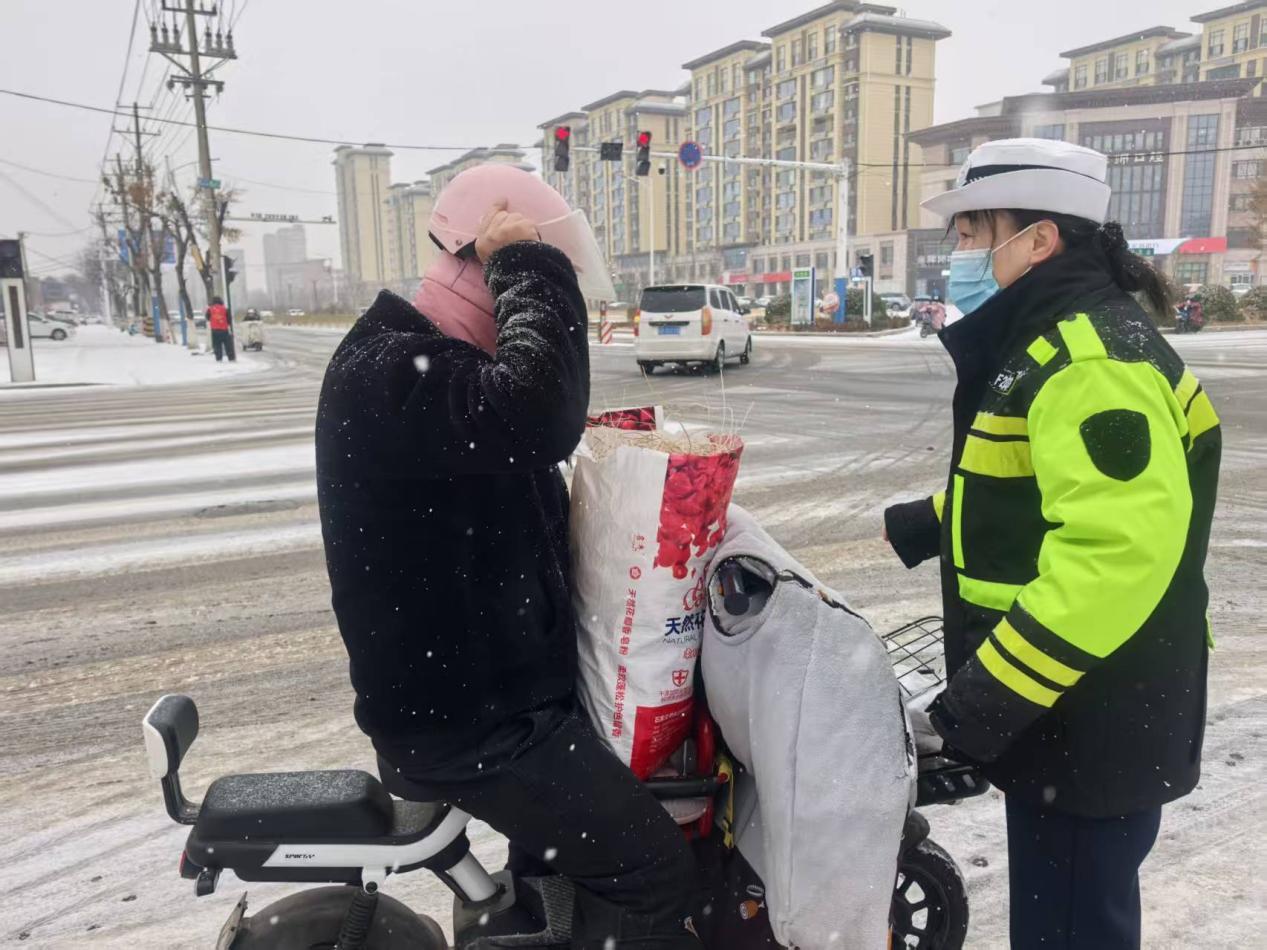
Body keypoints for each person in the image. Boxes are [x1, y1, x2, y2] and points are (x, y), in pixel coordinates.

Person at [315, 163, 700, 949]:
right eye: (520, 282)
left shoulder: (444, 370)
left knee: (563, 870)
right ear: (478, 264)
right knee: (652, 874)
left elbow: (534, 472)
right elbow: (540, 412)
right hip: (470, 726)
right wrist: (525, 262)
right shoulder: (388, 370)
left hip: (505, 704)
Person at [883, 139, 1221, 950]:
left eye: (974, 232)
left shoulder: (1089, 361)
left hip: (1090, 709)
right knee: (1069, 916)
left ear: (1038, 239)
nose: (962, 254)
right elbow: (1035, 487)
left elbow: (1115, 552)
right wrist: (930, 521)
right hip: (1075, 703)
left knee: (1067, 929)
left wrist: (982, 701)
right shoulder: (1053, 342)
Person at [206, 296, 235, 362]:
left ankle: (219, 358)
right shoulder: (225, 308)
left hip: (215, 330)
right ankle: (231, 358)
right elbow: (229, 319)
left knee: (217, 345)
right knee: (228, 345)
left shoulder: (210, 309)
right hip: (224, 330)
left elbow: (207, 318)